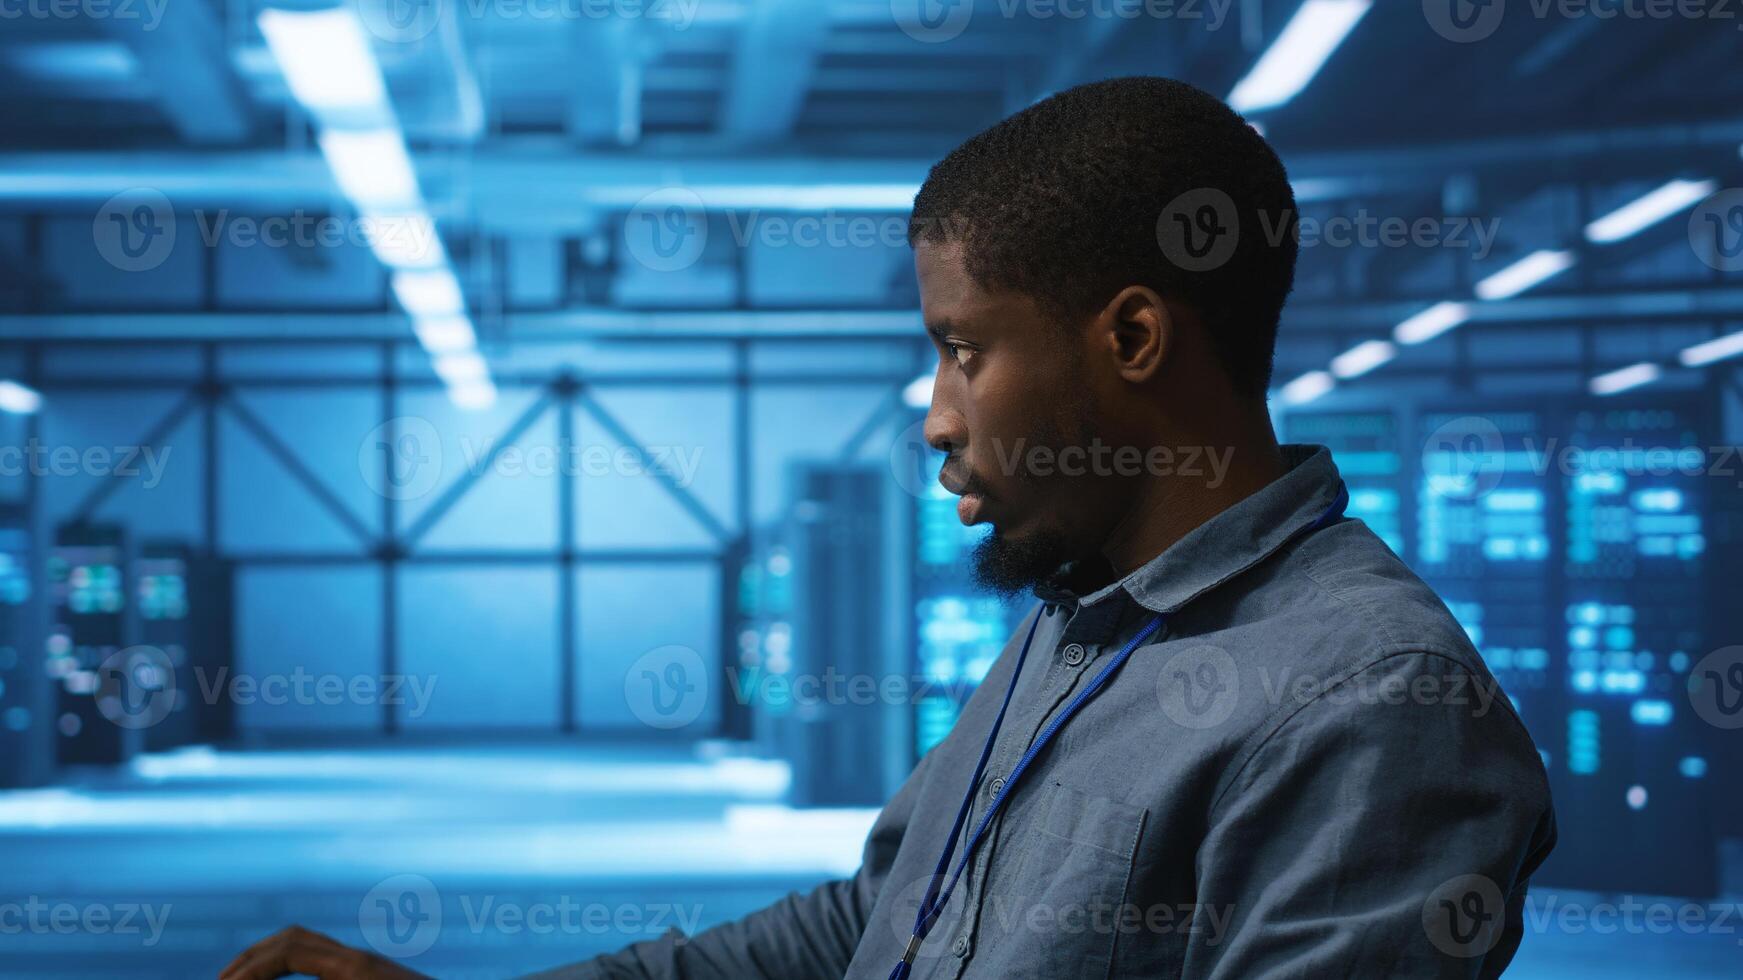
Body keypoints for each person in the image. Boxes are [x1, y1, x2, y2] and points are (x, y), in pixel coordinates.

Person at [221, 76, 1555, 980]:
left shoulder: (1376, 705)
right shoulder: (1080, 631)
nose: (933, 418)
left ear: (1133, 339)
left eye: (963, 352)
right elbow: (882, 921)